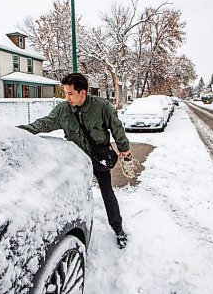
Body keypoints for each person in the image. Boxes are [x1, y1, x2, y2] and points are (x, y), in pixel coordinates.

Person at [17, 73, 131, 249]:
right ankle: (73, 229)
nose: (66, 97)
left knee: (107, 193)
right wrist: (19, 131)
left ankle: (118, 229)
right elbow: (44, 123)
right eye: (65, 93)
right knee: (74, 194)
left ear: (82, 93)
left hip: (98, 158)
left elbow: (116, 127)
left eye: (70, 93)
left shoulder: (102, 107)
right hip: (77, 161)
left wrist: (124, 148)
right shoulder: (63, 110)